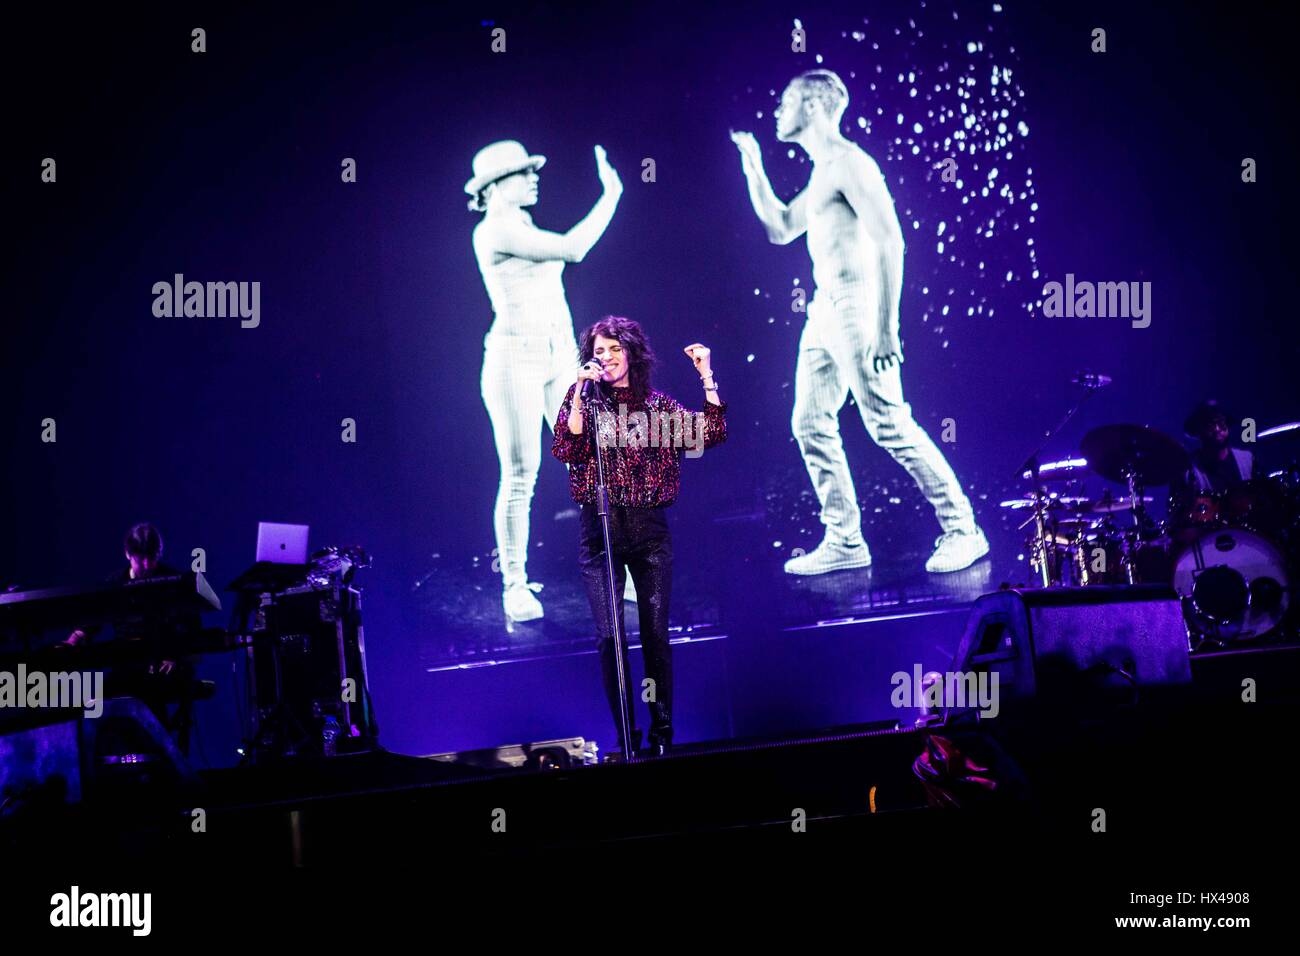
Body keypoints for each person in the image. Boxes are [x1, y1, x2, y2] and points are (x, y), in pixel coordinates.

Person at [731, 69, 988, 574]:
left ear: (811, 105)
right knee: (808, 421)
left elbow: (891, 240)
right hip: (825, 310)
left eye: (784, 100)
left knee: (889, 423)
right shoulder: (822, 173)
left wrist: (885, 325)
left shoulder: (851, 164)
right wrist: (753, 169)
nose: (776, 111)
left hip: (856, 306)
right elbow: (782, 228)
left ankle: (964, 529)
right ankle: (845, 540)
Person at [552, 316, 727, 758]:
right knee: (609, 638)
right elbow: (566, 449)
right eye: (599, 350)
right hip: (599, 534)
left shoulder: (655, 408)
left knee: (654, 635)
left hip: (648, 534)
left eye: (614, 349)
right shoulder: (585, 402)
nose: (606, 357)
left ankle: (662, 732)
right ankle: (624, 735)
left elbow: (709, 434)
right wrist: (577, 395)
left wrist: (706, 376)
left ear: (630, 352)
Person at [468, 139, 624, 625]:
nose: (536, 177)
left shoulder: (522, 222)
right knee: (521, 474)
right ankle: (514, 584)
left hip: (557, 359)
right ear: (495, 186)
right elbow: (574, 249)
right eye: (523, 172)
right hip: (514, 361)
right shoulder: (492, 230)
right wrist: (612, 193)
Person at [63, 522, 201, 752]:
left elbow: (192, 629)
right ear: (128, 554)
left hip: (163, 664)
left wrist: (175, 657)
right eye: (140, 558)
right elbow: (93, 621)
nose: (147, 565)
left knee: (152, 698)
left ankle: (160, 758)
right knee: (96, 701)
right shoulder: (115, 583)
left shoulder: (174, 581)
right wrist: (73, 640)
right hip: (126, 666)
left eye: (152, 557)